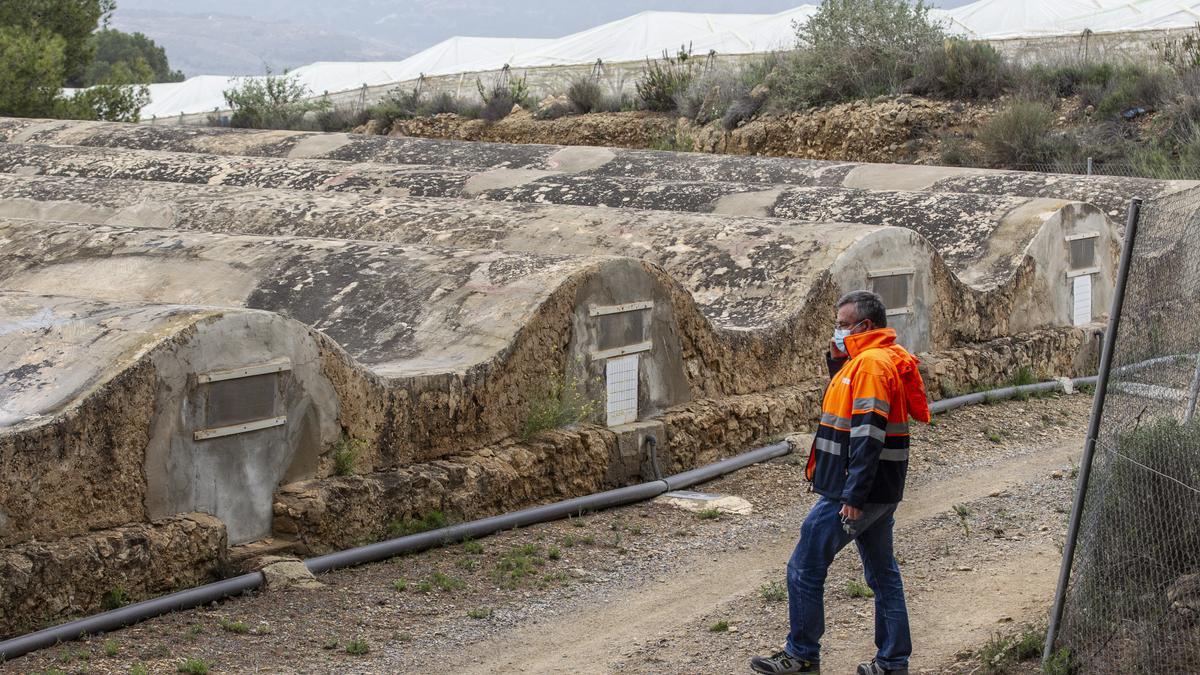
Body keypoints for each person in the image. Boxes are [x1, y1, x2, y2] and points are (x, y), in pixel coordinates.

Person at [750, 290, 931, 675]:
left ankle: (801, 655)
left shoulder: (870, 367)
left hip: (856, 492)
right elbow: (844, 390)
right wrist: (838, 354)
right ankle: (893, 663)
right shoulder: (873, 361)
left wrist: (853, 494)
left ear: (865, 326)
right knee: (883, 575)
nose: (836, 330)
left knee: (804, 566)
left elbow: (867, 434)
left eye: (842, 325)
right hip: (881, 491)